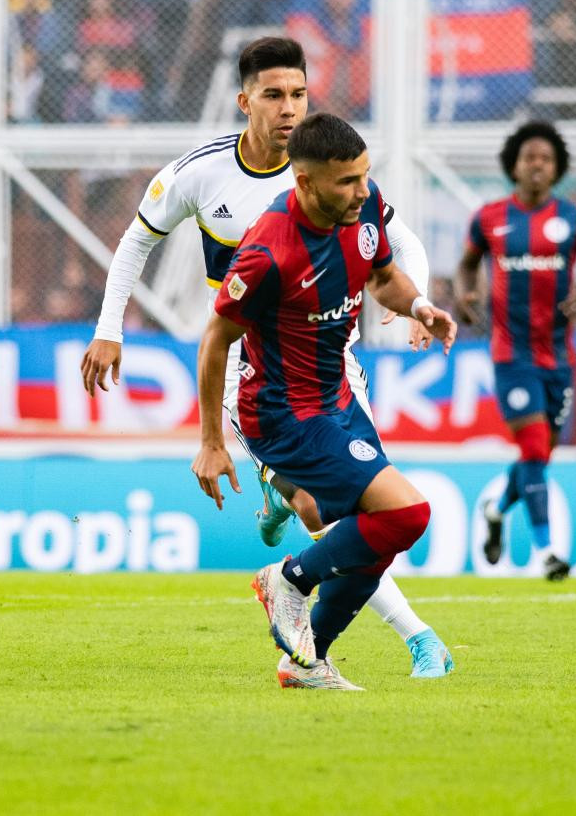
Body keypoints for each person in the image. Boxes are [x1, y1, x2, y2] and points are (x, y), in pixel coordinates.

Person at [78, 37, 453, 679]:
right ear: (244, 99)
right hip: (260, 379)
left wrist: (414, 303)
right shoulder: (207, 177)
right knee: (332, 511)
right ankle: (408, 632)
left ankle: (313, 649)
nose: (289, 108)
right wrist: (110, 327)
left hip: (336, 366)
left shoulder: (336, 171)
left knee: (362, 516)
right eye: (275, 95)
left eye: (299, 94)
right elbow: (139, 243)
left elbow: (394, 245)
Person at [192, 112, 457, 689]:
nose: (363, 191)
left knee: (373, 540)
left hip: (336, 397)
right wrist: (212, 442)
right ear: (305, 182)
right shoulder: (268, 251)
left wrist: (418, 307)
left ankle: (306, 663)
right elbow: (215, 340)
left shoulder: (363, 207)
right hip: (285, 414)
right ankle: (287, 579)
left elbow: (384, 275)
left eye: (365, 176)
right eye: (347, 182)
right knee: (407, 514)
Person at [455, 121, 576, 581]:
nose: (538, 164)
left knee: (538, 455)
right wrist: (465, 296)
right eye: (529, 157)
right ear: (514, 166)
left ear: (557, 166)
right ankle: (546, 552)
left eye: (546, 158)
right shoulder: (490, 218)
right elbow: (465, 267)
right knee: (533, 445)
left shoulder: (575, 219)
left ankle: (496, 508)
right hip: (511, 356)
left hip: (559, 359)